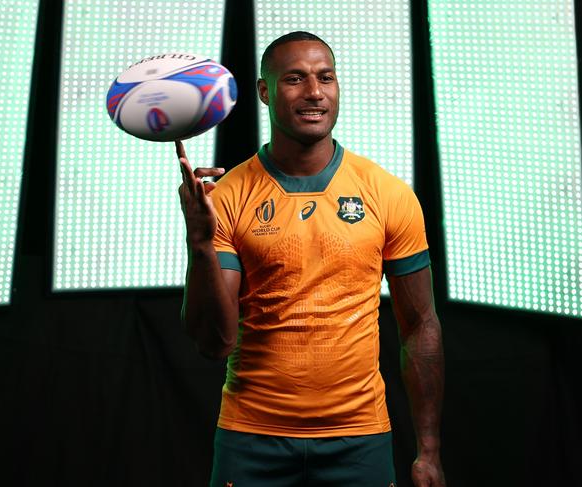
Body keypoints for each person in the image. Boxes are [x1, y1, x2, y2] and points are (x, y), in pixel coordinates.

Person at [177, 31, 445, 487]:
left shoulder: (388, 193)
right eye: (295, 79)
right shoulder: (229, 195)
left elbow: (420, 326)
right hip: (252, 437)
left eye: (326, 78)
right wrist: (200, 245)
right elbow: (213, 343)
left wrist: (428, 452)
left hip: (358, 439)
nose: (315, 92)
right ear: (265, 91)